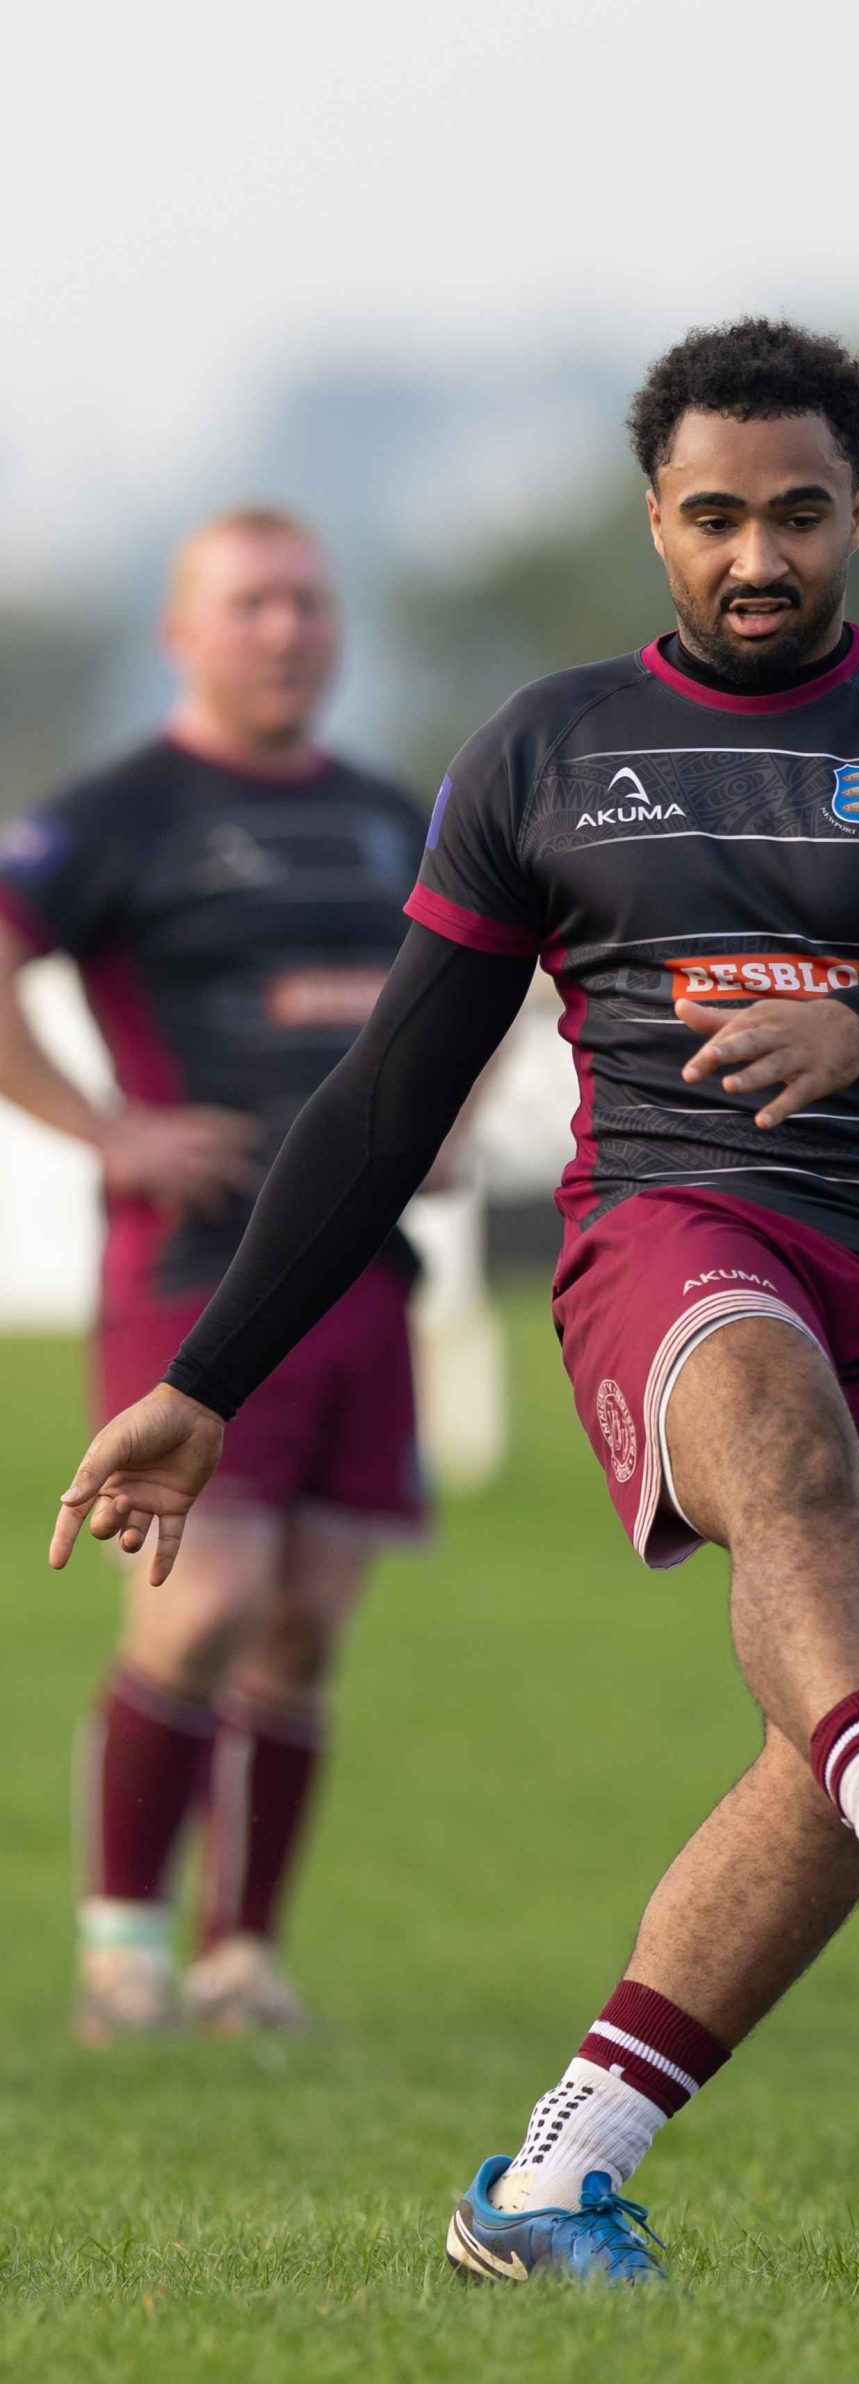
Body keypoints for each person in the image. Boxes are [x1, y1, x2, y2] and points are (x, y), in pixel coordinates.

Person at [48, 320, 859, 2284]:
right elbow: (387, 1098)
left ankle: (552, 2176)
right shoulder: (543, 751)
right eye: (716, 517)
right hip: (671, 1236)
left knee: (848, 1712)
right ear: (655, 520)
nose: (757, 556)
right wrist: (207, 1380)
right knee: (781, 1450)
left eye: (797, 515)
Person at [1, 508, 430, 2043]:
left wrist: (442, 1121)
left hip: (363, 1272)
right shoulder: (121, 812)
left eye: (309, 602)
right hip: (192, 1267)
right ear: (181, 633)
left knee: (305, 1621)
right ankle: (122, 1953)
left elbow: (489, 975)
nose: (287, 630)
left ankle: (241, 1958)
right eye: (251, 604)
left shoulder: (390, 816)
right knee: (203, 1603)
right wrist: (105, 1127)